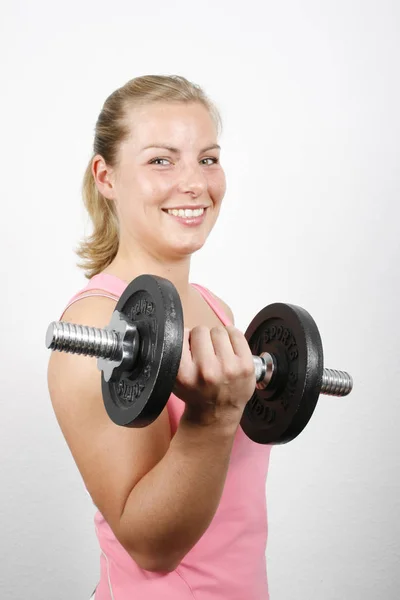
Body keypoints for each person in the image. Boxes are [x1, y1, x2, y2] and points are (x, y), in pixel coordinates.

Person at [47, 74, 272, 600]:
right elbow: (151, 545)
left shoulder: (216, 307)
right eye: (161, 160)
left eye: (208, 158)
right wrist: (211, 417)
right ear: (106, 176)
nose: (194, 183)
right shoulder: (100, 328)